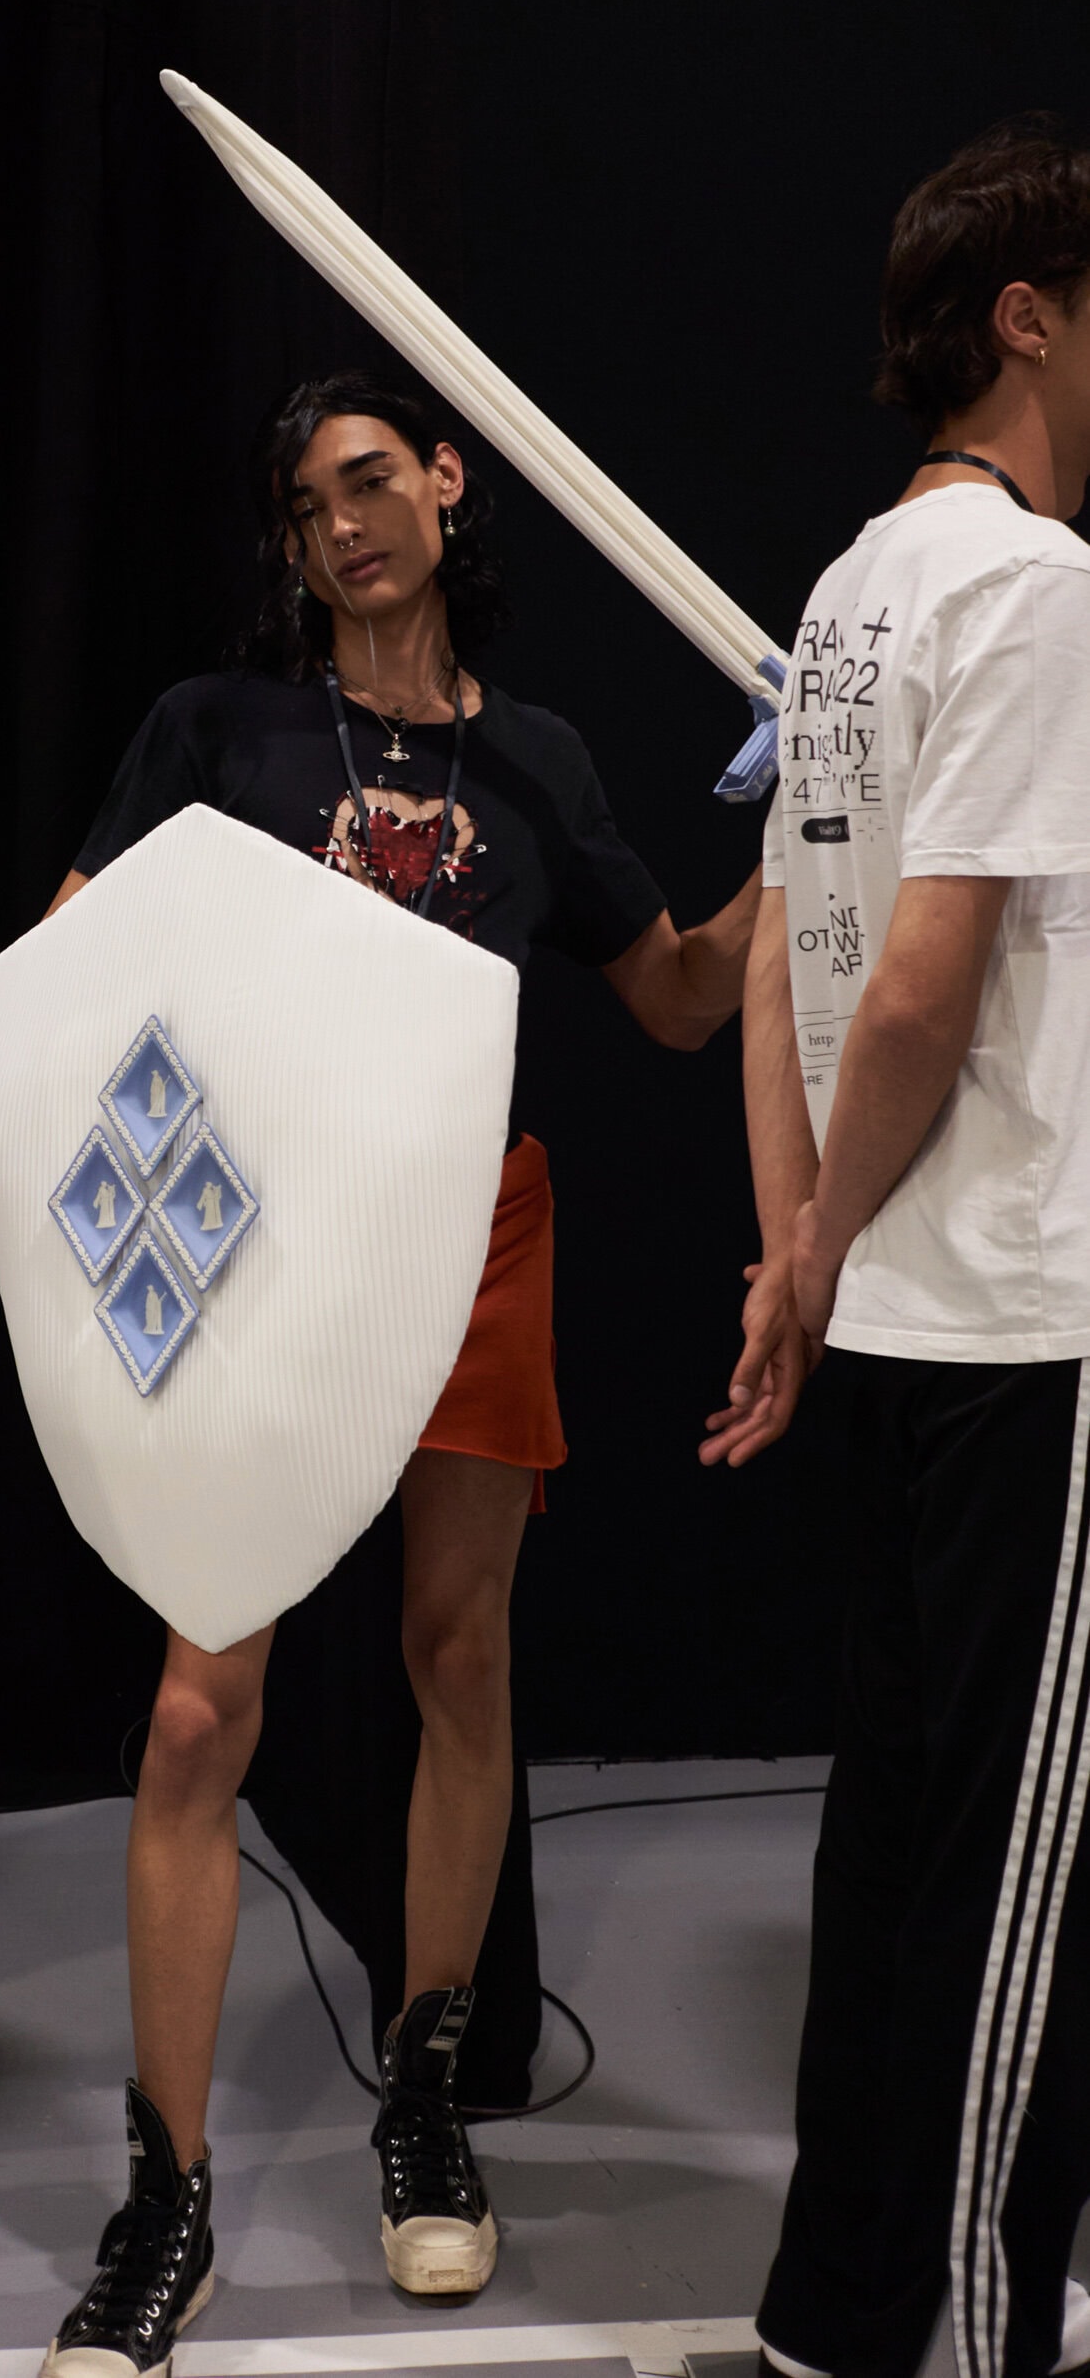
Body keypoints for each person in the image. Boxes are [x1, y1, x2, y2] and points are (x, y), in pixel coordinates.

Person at [41, 368, 760, 2377]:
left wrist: (813, 823)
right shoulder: (221, 730)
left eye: (369, 478)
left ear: (447, 482)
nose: (342, 523)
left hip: (470, 1235)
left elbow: (676, 1002)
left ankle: (425, 2103)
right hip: (261, 1240)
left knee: (461, 1658)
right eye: (305, 503)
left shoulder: (536, 760)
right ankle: (165, 2198)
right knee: (201, 1709)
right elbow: (69, 966)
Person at [702, 116, 1090, 2378]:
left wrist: (799, 1253)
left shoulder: (851, 592)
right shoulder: (1033, 589)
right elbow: (916, 982)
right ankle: (975, 2322)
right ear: (1027, 318)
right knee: (1023, 1873)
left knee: (902, 1830)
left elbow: (782, 964)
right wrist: (822, 1242)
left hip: (911, 1315)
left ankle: (840, 2310)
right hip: (1031, 1313)